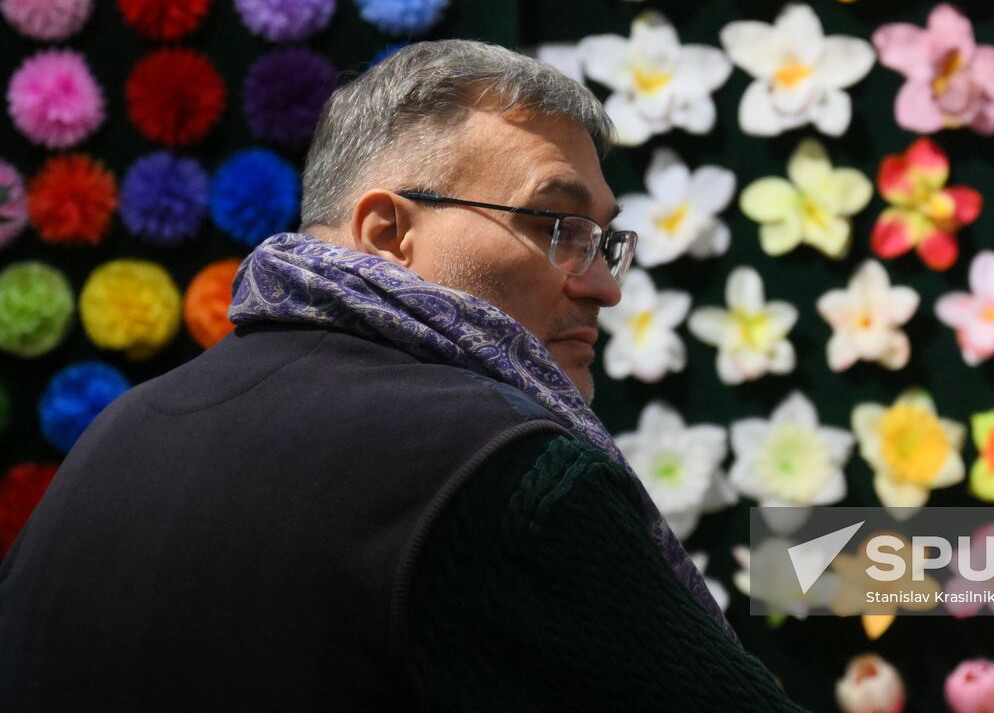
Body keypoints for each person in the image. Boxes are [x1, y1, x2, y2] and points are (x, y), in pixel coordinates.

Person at [0, 41, 809, 712]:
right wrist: (931, 563)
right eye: (556, 225)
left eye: (604, 239)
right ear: (387, 231)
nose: (604, 284)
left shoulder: (119, 436)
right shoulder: (500, 465)